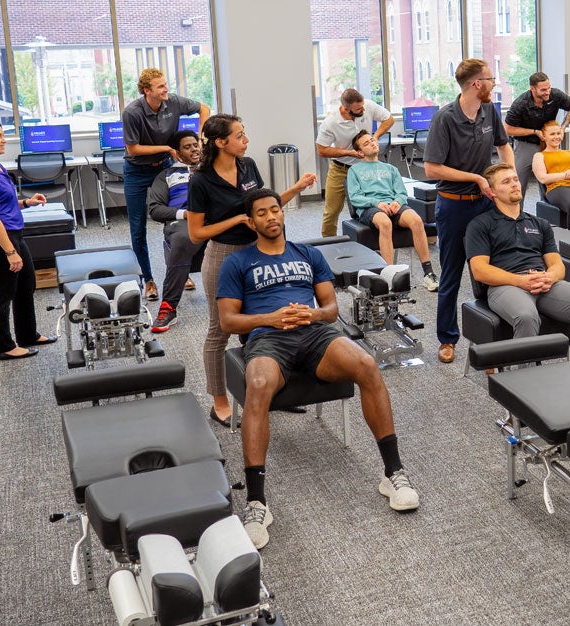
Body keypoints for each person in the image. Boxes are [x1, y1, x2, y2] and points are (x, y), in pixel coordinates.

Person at [217, 188, 420, 548]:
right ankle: (257, 502)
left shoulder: (308, 254)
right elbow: (229, 321)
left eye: (275, 210)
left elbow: (330, 309)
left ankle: (394, 473)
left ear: (284, 214)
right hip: (267, 337)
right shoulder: (238, 262)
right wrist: (272, 318)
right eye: (261, 213)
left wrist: (311, 314)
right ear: (251, 222)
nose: (271, 217)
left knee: (367, 364)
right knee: (260, 383)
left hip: (314, 333)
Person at [187, 114, 316, 427]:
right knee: (221, 330)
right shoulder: (201, 180)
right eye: (240, 135)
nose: (246, 141)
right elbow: (196, 234)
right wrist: (234, 220)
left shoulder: (248, 166)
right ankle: (219, 402)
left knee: (263, 324)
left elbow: (266, 207)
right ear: (221, 143)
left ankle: (268, 389)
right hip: (222, 254)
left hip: (258, 252)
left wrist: (297, 188)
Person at [466, 163, 570, 375]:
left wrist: (549, 277)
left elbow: (557, 265)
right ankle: (525, 389)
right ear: (492, 192)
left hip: (543, 283)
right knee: (526, 316)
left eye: (515, 179)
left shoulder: (539, 224)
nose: (515, 184)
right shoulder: (481, 224)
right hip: (505, 286)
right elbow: (480, 271)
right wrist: (520, 281)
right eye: (506, 182)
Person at [424, 58, 514, 364]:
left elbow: (503, 145)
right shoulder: (445, 118)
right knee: (452, 274)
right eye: (490, 78)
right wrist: (476, 177)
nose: (493, 83)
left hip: (485, 203)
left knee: (491, 270)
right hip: (453, 206)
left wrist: (509, 177)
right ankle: (447, 339)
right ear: (477, 83)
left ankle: (491, 335)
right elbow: (432, 168)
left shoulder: (490, 109)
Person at [0, 119, 56, 360]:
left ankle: (27, 335)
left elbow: (3, 206)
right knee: (1, 295)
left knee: (26, 286)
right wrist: (9, 252)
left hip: (14, 234)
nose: (3, 139)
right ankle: (3, 346)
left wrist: (27, 202)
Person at [122, 67, 210, 301]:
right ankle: (149, 280)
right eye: (160, 86)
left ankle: (180, 271)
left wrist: (202, 135)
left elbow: (204, 108)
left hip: (164, 165)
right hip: (137, 170)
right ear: (146, 90)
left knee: (172, 216)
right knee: (138, 227)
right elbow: (133, 148)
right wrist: (168, 148)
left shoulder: (173, 102)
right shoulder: (132, 112)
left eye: (165, 84)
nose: (166, 89)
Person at [346, 130, 438, 291]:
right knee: (385, 222)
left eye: (372, 140)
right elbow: (355, 197)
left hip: (394, 205)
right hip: (370, 208)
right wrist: (376, 202)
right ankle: (388, 273)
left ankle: (428, 273)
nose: (372, 143)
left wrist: (398, 201)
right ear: (360, 152)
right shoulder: (355, 170)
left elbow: (401, 192)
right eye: (366, 143)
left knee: (416, 221)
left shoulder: (390, 168)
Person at [315, 88, 394, 238]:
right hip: (341, 169)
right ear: (346, 108)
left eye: (363, 106)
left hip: (365, 167)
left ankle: (375, 242)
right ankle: (328, 244)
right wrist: (349, 152)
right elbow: (322, 150)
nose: (363, 109)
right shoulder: (330, 123)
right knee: (331, 211)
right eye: (358, 108)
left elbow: (389, 119)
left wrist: (375, 136)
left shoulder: (368, 106)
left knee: (372, 206)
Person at [147, 130, 204, 332]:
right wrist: (185, 214)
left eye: (195, 144)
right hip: (182, 222)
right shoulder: (167, 175)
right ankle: (169, 308)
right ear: (178, 154)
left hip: (213, 218)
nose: (194, 149)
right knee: (181, 239)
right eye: (187, 147)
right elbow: (155, 209)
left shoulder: (213, 169)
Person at [503, 72, 570, 196]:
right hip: (525, 145)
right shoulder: (521, 103)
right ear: (532, 89)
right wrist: (534, 132)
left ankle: (548, 211)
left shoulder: (555, 95)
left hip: (547, 144)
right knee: (518, 183)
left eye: (548, 88)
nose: (547, 92)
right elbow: (508, 129)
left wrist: (563, 127)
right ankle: (516, 214)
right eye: (543, 90)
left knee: (551, 182)